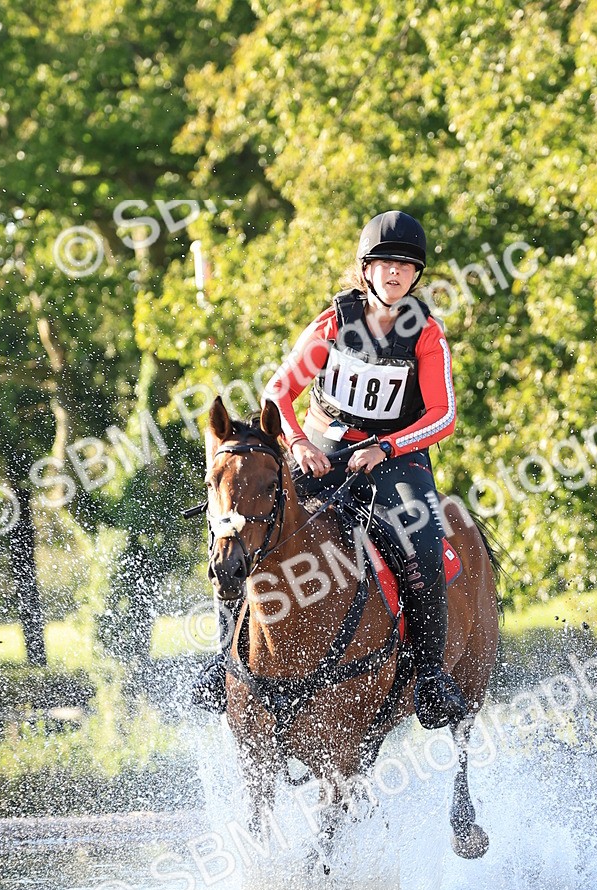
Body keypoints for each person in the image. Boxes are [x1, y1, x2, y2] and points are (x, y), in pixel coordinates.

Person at [193, 210, 468, 729]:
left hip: (397, 457)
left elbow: (443, 415)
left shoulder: (426, 334)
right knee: (241, 520)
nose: (394, 273)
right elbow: (279, 389)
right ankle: (221, 662)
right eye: (384, 263)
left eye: (405, 267)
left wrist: (385, 449)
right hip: (323, 445)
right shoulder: (335, 322)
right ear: (366, 270)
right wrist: (296, 443)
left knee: (425, 540)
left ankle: (430, 676)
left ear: (415, 276)